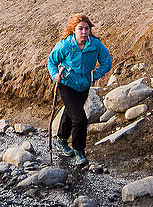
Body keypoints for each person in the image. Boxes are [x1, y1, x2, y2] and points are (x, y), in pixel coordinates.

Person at [47, 13, 112, 167]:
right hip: (67, 84)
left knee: (71, 114)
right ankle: (79, 152)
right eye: (80, 29)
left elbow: (106, 63)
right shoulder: (65, 45)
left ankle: (61, 140)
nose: (84, 32)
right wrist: (55, 75)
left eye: (86, 28)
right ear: (73, 30)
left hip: (83, 86)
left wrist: (93, 76)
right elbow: (51, 61)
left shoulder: (95, 45)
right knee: (80, 118)